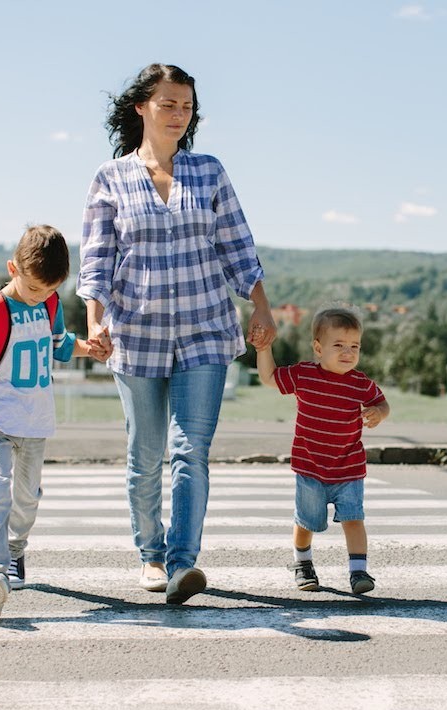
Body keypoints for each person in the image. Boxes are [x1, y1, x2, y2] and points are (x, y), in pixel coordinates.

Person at [77, 63, 276, 605]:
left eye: (186, 106)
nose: (179, 115)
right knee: (146, 453)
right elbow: (96, 260)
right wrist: (95, 322)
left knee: (191, 450)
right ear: (142, 106)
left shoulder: (209, 172)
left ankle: (183, 564)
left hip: (205, 329)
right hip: (136, 334)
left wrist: (260, 307)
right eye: (168, 104)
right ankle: (151, 552)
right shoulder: (110, 178)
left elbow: (238, 248)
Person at [0, 225, 110, 620]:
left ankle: (15, 551)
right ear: (13, 268)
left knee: (27, 499)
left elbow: (61, 344)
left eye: (50, 290)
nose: (41, 296)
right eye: (33, 288)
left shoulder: (48, 305)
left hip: (35, 422)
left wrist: (91, 349)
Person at [255, 304, 390, 594]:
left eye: (355, 346)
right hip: (310, 469)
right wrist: (263, 349)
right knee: (307, 522)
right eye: (338, 345)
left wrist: (379, 412)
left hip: (349, 468)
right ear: (318, 348)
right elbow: (269, 378)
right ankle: (302, 563)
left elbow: (382, 403)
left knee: (354, 519)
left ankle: (358, 572)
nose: (348, 352)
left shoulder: (359, 383)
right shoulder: (304, 375)